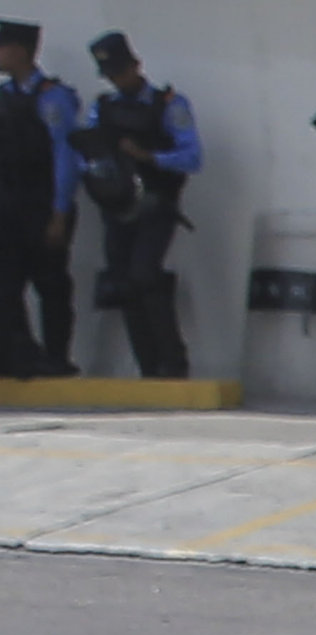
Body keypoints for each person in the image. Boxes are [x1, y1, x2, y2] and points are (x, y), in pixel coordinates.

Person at [70, 30, 188, 379]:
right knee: (125, 284)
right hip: (118, 207)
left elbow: (191, 156)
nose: (117, 80)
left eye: (121, 72)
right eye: (110, 75)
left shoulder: (169, 105)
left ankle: (173, 362)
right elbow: (86, 150)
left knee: (146, 276)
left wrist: (149, 156)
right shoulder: (103, 108)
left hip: (156, 203)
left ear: (136, 65)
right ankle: (149, 366)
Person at [0, 23, 79, 379]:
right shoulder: (4, 96)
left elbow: (65, 156)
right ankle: (20, 355)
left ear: (21, 51)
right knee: (7, 284)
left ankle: (56, 357)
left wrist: (59, 211)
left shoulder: (53, 97)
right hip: (9, 205)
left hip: (44, 204)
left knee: (51, 284)